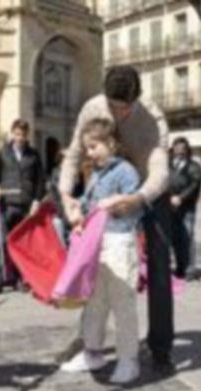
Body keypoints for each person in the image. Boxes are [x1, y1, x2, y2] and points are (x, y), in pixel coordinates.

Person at [57, 66, 174, 372]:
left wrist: (137, 199)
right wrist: (66, 195)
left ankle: (160, 346)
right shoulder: (92, 108)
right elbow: (72, 154)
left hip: (148, 189)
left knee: (159, 264)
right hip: (104, 187)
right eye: (114, 106)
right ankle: (89, 342)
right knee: (91, 268)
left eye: (126, 107)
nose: (119, 113)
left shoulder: (153, 118)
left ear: (137, 99)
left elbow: (161, 170)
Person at [60, 118, 144, 384]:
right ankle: (92, 351)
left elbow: (137, 205)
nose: (89, 152)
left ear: (110, 143)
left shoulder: (126, 171)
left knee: (122, 301)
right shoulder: (97, 173)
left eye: (94, 146)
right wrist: (76, 207)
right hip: (96, 245)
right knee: (94, 301)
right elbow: (88, 203)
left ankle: (129, 359)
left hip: (119, 241)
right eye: (87, 147)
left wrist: (120, 203)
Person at [0, 119, 46, 295]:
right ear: (12, 133)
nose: (19, 138)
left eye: (22, 134)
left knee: (22, 244)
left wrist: (37, 200)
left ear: (27, 135)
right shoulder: (3, 153)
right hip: (7, 204)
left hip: (26, 204)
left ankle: (21, 279)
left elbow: (40, 180)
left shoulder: (34, 155)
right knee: (2, 243)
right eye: (16, 134)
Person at [168, 137, 201, 280]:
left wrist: (181, 197)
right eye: (177, 147)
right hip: (170, 206)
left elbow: (194, 184)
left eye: (183, 148)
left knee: (187, 237)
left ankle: (190, 269)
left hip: (186, 206)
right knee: (175, 237)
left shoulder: (194, 166)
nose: (180, 151)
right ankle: (180, 267)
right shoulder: (168, 164)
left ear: (187, 149)